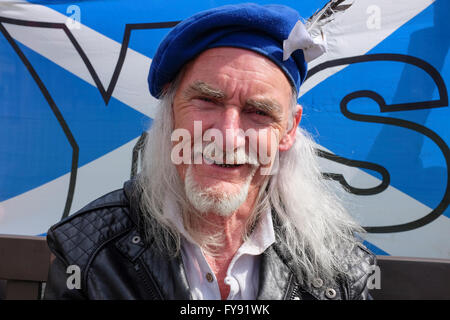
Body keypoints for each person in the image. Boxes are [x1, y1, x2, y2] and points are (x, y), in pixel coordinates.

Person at [44, 3, 376, 300]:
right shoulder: (88, 252)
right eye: (207, 101)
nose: (228, 136)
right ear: (172, 112)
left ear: (287, 130)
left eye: (259, 112)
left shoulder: (338, 264)